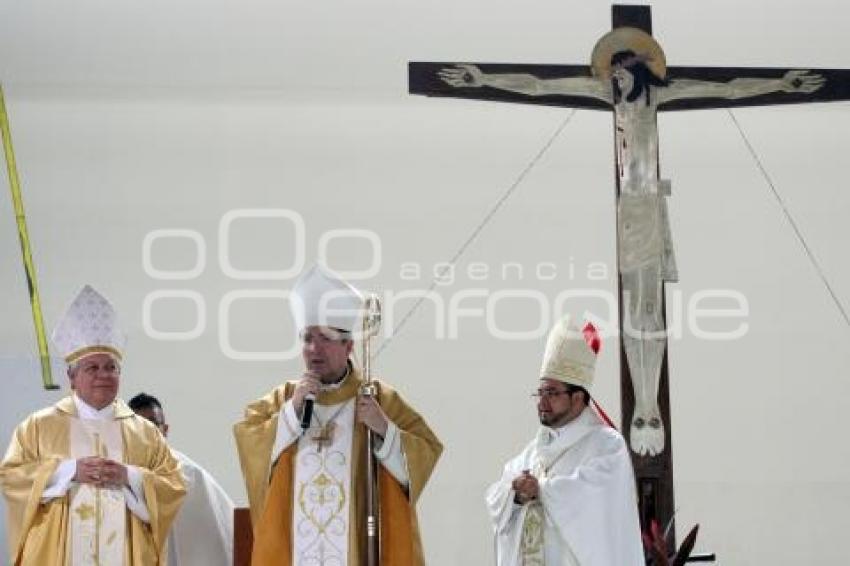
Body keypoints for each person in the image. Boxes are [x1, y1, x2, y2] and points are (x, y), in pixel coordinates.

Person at [439, 27, 824, 456]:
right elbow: (537, 85)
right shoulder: (610, 98)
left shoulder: (660, 96)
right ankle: (644, 405)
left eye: (621, 72)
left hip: (649, 209)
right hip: (630, 214)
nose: (614, 78)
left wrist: (781, 84)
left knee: (648, 312)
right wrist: (482, 79)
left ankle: (648, 406)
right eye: (613, 73)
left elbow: (730, 89)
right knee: (635, 313)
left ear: (639, 71)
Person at [234, 263, 442, 565]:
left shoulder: (377, 397)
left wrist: (384, 429)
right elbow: (248, 442)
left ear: (348, 346)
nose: (313, 348)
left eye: (325, 338)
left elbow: (426, 451)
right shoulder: (285, 398)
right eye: (307, 338)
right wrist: (291, 414)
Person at [0, 285, 186, 565]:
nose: (104, 375)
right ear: (71, 377)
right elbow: (11, 476)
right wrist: (68, 471)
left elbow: (174, 485)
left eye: (111, 367)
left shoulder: (145, 433)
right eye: (93, 368)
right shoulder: (39, 426)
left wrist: (130, 476)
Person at [486, 315, 644, 565]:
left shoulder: (606, 444)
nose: (542, 402)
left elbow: (594, 498)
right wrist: (515, 494)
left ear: (578, 398)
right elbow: (496, 499)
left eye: (552, 393)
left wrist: (541, 489)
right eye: (540, 392)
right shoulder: (535, 450)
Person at [129, 392, 235, 566]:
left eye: (154, 425)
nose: (148, 433)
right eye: (140, 426)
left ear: (165, 430)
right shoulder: (117, 474)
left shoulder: (191, 475)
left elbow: (223, 531)